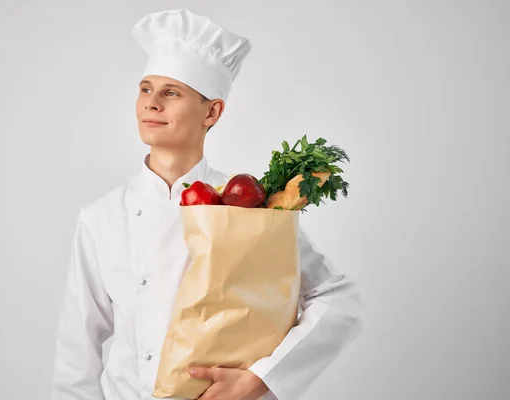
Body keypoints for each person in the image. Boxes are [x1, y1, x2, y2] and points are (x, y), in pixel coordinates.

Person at [50, 8, 363, 400]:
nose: (151, 104)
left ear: (212, 111)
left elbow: (338, 299)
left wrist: (262, 378)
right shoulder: (102, 217)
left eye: (171, 93)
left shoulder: (250, 206)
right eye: (145, 89)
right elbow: (76, 354)